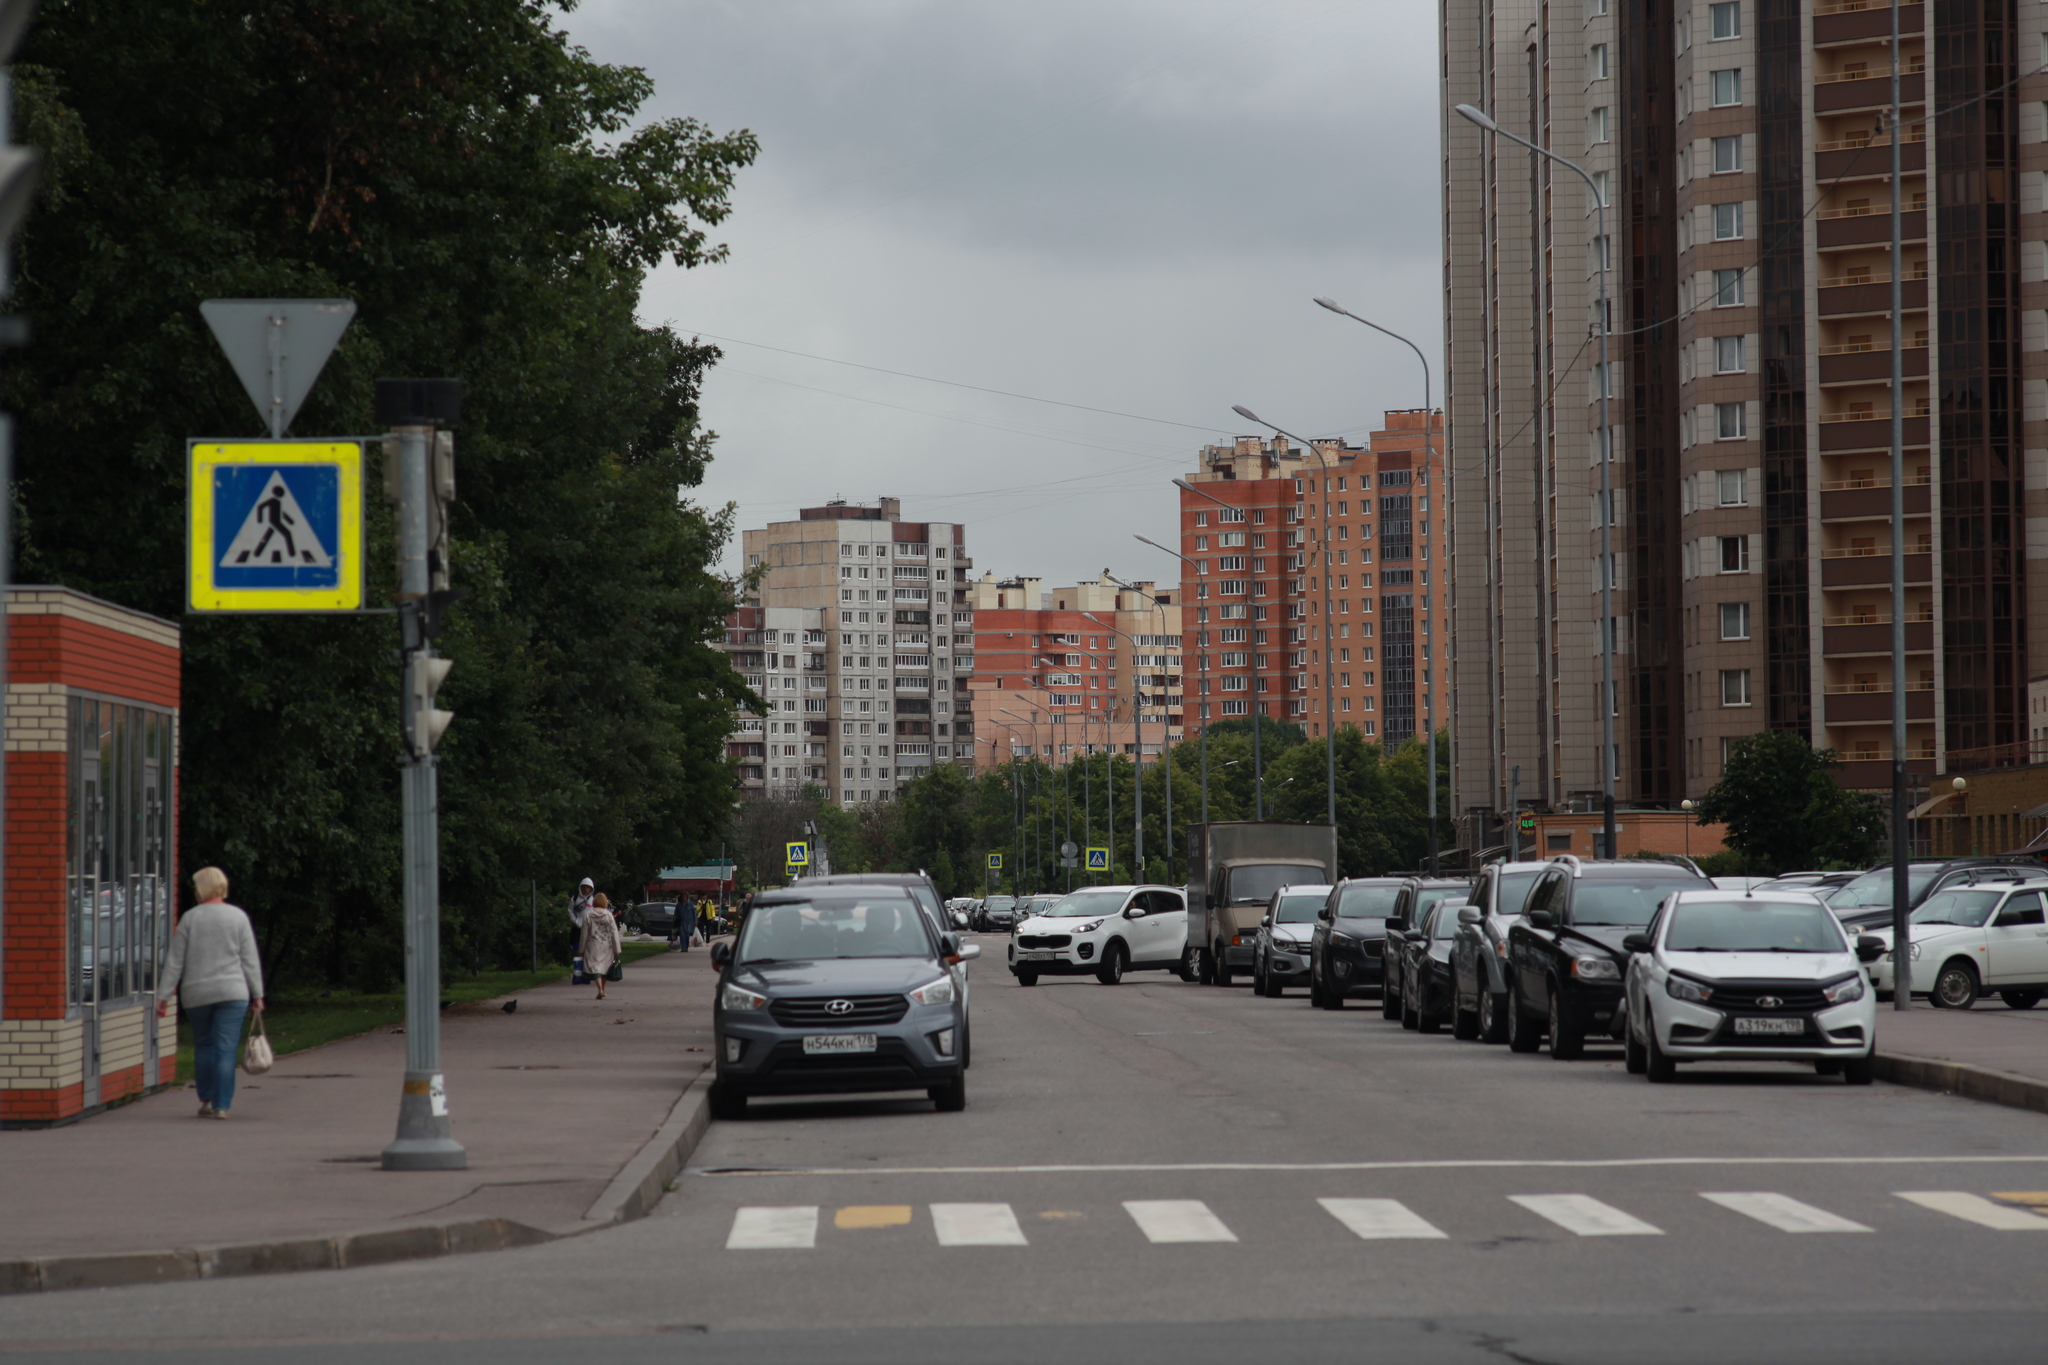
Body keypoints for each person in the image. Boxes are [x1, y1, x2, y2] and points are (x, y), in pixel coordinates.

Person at [155, 866, 265, 1120]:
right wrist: (257, 994)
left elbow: (175, 962)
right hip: (232, 992)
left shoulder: (190, 919)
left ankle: (206, 1099)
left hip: (197, 994)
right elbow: (250, 960)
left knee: (204, 1045)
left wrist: (163, 996)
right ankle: (222, 1106)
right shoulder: (238, 917)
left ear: (202, 888)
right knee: (226, 1049)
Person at [582, 892, 622, 1000]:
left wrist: (581, 949)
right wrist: (616, 948)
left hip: (592, 945)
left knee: (596, 968)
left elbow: (584, 933)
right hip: (606, 945)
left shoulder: (588, 915)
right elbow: (614, 933)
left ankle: (600, 989)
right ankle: (602, 989)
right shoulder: (608, 915)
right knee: (604, 968)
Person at [567, 877, 594, 964]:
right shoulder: (575, 898)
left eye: (587, 887)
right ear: (580, 887)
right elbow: (570, 910)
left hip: (589, 930)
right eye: (584, 887)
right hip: (577, 930)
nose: (585, 889)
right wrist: (575, 921)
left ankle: (586, 971)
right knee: (577, 951)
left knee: (588, 952)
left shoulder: (593, 900)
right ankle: (578, 971)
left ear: (591, 888)